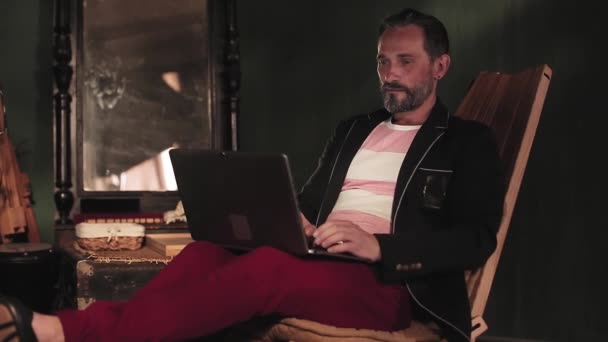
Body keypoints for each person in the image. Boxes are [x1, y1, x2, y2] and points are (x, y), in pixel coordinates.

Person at [0, 7, 504, 342]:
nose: (389, 73)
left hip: (389, 287)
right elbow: (306, 201)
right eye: (382, 61)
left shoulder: (466, 140)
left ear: (440, 66)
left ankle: (67, 332)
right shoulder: (356, 130)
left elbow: (477, 237)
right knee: (204, 252)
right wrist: (299, 224)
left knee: (265, 270)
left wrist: (381, 247)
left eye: (405, 61)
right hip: (322, 260)